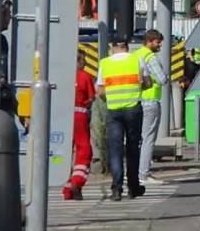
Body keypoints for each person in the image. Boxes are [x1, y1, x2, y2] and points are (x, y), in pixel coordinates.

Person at [96, 36, 151, 201]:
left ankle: (116, 189)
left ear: (113, 47)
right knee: (133, 148)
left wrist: (111, 98)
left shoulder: (105, 63)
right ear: (127, 47)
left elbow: (100, 91)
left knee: (115, 149)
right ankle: (133, 187)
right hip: (133, 109)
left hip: (113, 111)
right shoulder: (137, 60)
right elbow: (148, 83)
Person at [134, 29, 168, 185]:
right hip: (150, 101)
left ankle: (135, 171)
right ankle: (143, 174)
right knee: (148, 139)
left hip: (135, 101)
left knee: (137, 139)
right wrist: (162, 77)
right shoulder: (150, 57)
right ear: (149, 41)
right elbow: (162, 79)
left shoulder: (135, 55)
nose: (159, 44)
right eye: (157, 41)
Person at [62, 52, 96, 200]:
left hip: (62, 115)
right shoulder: (84, 76)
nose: (86, 63)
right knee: (84, 150)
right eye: (84, 61)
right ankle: (77, 181)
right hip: (80, 114)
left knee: (64, 152)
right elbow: (91, 98)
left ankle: (66, 186)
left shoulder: (61, 75)